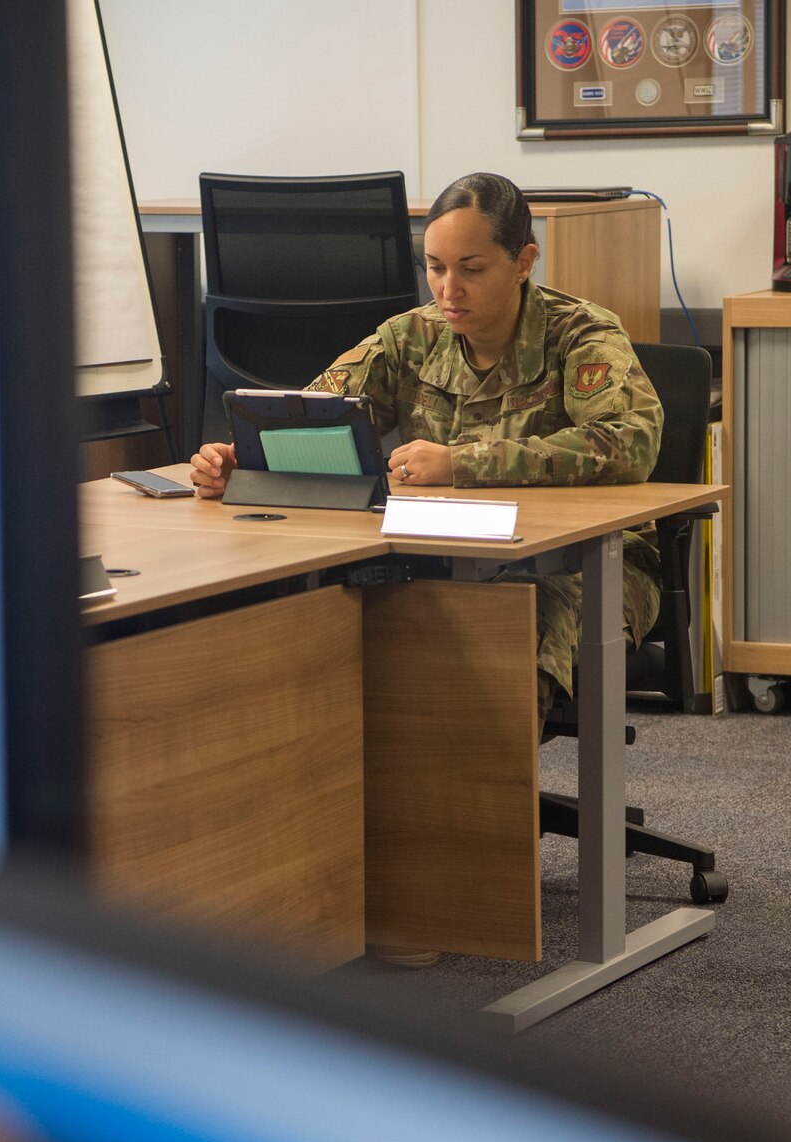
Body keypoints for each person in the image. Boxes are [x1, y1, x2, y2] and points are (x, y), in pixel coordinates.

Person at [190, 171, 664, 735]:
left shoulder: (581, 335)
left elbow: (628, 441)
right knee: (321, 611)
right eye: (435, 268)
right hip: (442, 550)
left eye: (471, 269)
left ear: (524, 261)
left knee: (515, 619)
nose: (448, 290)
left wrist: (464, 462)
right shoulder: (409, 337)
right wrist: (246, 462)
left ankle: (482, 810)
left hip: (591, 563)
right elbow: (312, 415)